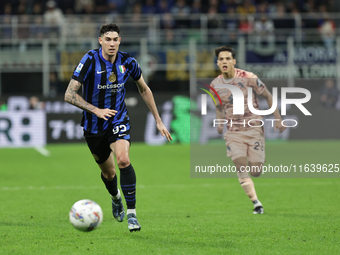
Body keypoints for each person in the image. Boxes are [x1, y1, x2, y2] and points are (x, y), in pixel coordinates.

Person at [64, 23, 172, 232]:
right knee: (109, 174)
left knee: (123, 160)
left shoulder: (128, 61)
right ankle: (115, 198)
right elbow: (69, 94)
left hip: (118, 119)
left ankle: (132, 215)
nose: (112, 43)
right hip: (94, 126)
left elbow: (144, 89)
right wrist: (95, 110)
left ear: (119, 41)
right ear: (100, 41)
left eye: (115, 39)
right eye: (108, 39)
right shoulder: (89, 60)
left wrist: (158, 120)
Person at [210, 46, 286, 214]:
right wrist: (220, 123)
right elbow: (219, 107)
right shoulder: (215, 85)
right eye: (221, 59)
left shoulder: (249, 77)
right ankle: (256, 203)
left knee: (256, 171)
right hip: (233, 131)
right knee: (239, 164)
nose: (224, 62)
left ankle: (258, 160)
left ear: (233, 61)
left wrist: (278, 119)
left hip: (253, 127)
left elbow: (267, 95)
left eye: (228, 59)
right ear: (218, 62)